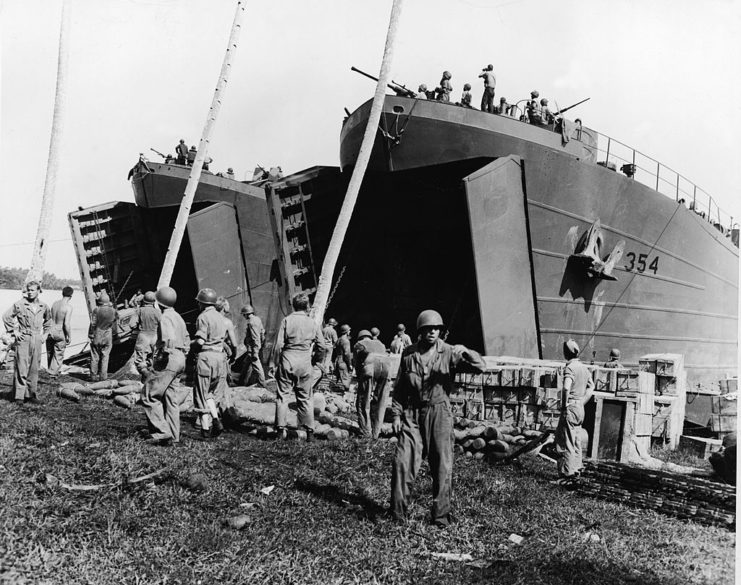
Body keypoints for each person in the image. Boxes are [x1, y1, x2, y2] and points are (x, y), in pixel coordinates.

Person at [390, 309, 486, 526]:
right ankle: (397, 515)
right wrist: (396, 414)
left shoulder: (449, 352)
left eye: (436, 329)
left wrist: (467, 352)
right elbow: (399, 388)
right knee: (402, 463)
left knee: (442, 465)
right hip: (412, 414)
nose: (432, 332)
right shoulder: (408, 354)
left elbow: (481, 367)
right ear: (420, 331)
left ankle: (441, 516)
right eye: (428, 329)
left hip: (439, 412)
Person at [269, 293, 326, 441]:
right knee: (306, 397)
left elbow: (278, 346)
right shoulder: (313, 323)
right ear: (307, 306)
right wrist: (315, 361)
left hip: (288, 359)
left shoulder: (287, 320)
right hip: (304, 361)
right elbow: (322, 346)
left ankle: (280, 431)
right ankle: (309, 432)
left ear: (293, 305)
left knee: (283, 396)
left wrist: (274, 363)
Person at [141, 286, 190, 446]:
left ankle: (161, 432)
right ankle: (174, 435)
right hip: (180, 358)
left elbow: (168, 339)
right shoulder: (178, 317)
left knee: (149, 395)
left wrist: (161, 357)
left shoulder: (166, 317)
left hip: (169, 358)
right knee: (171, 398)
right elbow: (187, 339)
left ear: (159, 302)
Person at [3, 281, 52, 403]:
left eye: (33, 290)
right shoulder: (20, 304)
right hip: (23, 338)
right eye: (28, 290)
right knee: (21, 366)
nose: (30, 292)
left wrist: (45, 334)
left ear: (39, 291)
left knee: (34, 367)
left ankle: (30, 395)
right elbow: (6, 316)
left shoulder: (43, 306)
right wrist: (14, 331)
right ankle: (19, 396)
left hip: (36, 338)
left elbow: (48, 321)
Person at [555, 339, 594, 484]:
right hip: (580, 408)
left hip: (570, 408)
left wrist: (564, 404)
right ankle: (577, 470)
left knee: (565, 441)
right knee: (576, 440)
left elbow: (566, 387)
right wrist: (582, 401)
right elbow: (591, 387)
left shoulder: (570, 368)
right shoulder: (584, 368)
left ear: (566, 352)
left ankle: (567, 475)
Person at [192, 288, 227, 438]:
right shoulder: (221, 317)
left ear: (202, 303)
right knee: (211, 393)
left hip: (206, 357)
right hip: (220, 358)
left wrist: (189, 345)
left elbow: (200, 341)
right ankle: (216, 418)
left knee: (201, 392)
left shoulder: (203, 317)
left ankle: (205, 429)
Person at [353, 329, 391, 439]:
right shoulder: (380, 344)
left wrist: (360, 380)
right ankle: (376, 432)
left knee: (362, 401)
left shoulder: (359, 344)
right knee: (381, 401)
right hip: (387, 367)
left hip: (370, 365)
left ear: (360, 337)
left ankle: (366, 432)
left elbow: (358, 365)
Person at [88, 291, 118, 382]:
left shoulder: (96, 310)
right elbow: (115, 323)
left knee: (95, 356)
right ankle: (103, 377)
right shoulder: (113, 311)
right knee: (105, 356)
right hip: (108, 335)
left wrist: (90, 334)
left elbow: (93, 324)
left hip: (97, 334)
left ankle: (93, 376)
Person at [130, 291, 161, 378]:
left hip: (143, 336)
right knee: (155, 357)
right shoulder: (158, 312)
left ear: (144, 301)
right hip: (155, 336)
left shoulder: (139, 310)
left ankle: (144, 376)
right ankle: (153, 375)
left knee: (140, 359)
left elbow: (132, 324)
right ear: (154, 301)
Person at [46, 286, 74, 376]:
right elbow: (66, 324)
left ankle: (49, 370)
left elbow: (50, 318)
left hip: (50, 329)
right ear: (71, 296)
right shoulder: (68, 307)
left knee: (50, 352)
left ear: (62, 294)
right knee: (58, 353)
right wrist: (69, 336)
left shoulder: (55, 304)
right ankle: (53, 373)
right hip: (59, 330)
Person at [238, 303, 266, 387]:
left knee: (257, 367)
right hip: (253, 348)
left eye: (244, 315)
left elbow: (255, 337)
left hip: (253, 349)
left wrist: (255, 351)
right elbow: (262, 333)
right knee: (246, 365)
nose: (244, 316)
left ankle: (262, 384)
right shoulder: (257, 319)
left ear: (246, 314)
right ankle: (242, 382)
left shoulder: (251, 322)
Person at [334, 323, 353, 392]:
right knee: (346, 380)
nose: (350, 332)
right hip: (342, 361)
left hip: (338, 359)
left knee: (340, 376)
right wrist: (350, 364)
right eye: (349, 330)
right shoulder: (346, 341)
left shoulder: (339, 339)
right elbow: (347, 354)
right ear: (347, 331)